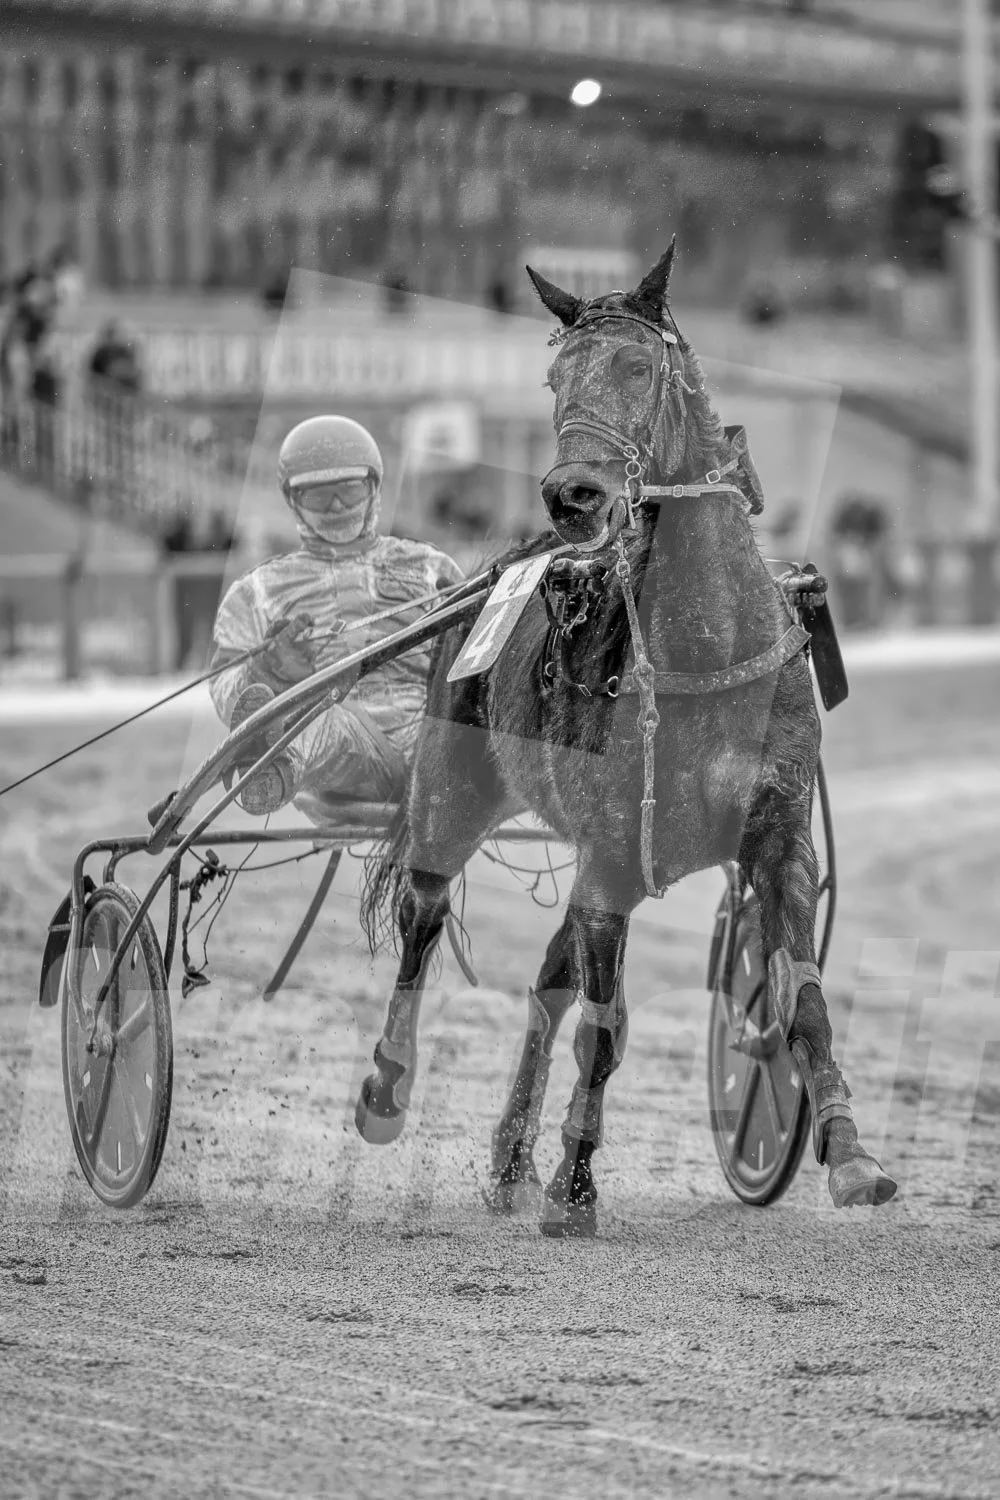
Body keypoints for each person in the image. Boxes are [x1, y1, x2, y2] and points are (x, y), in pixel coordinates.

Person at [208, 416, 464, 820]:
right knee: (317, 721)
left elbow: (477, 657)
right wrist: (267, 673)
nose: (337, 506)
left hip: (438, 745)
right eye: (318, 496)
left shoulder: (430, 568)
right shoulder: (257, 591)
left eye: (348, 489)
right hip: (354, 755)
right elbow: (224, 687)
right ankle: (271, 772)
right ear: (292, 499)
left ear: (374, 487)